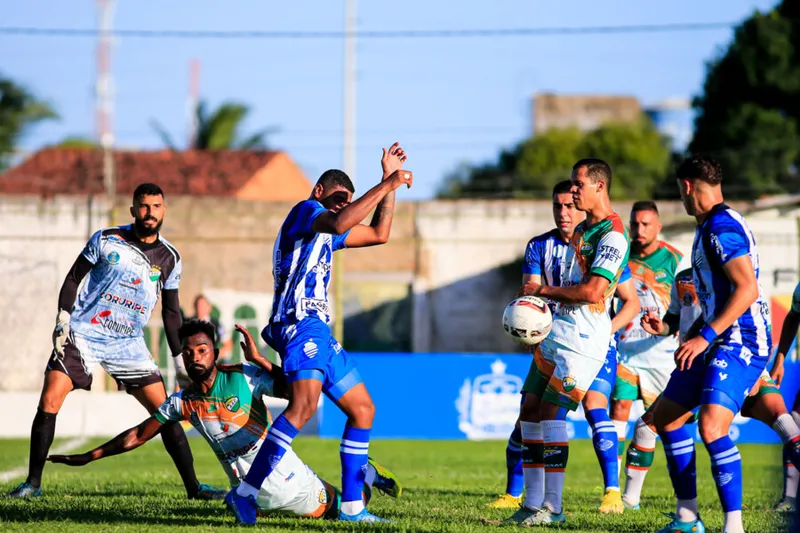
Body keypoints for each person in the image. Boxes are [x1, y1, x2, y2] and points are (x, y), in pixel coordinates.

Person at [225, 143, 412, 524]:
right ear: (319, 192)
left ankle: (352, 508)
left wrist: (388, 189)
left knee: (363, 410)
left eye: (348, 200)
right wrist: (387, 182)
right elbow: (340, 222)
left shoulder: (329, 232)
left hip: (318, 330)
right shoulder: (306, 212)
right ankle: (245, 493)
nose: (344, 205)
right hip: (297, 323)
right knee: (303, 407)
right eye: (339, 198)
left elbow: (379, 234)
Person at [47, 319, 400, 520]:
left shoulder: (242, 377)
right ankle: (360, 474)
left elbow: (299, 395)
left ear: (215, 352)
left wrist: (261, 361)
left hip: (290, 479)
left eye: (202, 350)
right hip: (250, 492)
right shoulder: (182, 402)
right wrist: (88, 457)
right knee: (333, 505)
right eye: (188, 353)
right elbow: (139, 434)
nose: (195, 357)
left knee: (346, 506)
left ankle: (366, 473)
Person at [8, 183, 223, 501]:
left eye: (156, 206)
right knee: (50, 398)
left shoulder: (170, 257)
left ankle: (194, 488)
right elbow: (72, 279)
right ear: (133, 209)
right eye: (144, 206)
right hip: (83, 333)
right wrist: (63, 318)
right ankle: (32, 484)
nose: (150, 212)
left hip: (128, 344)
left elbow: (171, 312)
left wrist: (179, 360)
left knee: (165, 412)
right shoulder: (107, 239)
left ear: (164, 210)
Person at [487, 180, 640, 515]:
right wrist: (531, 323)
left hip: (587, 342)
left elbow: (602, 294)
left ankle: (590, 496)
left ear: (596, 188)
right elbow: (530, 292)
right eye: (559, 204)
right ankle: (528, 501)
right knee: (530, 410)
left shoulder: (607, 238)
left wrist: (606, 333)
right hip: (554, 338)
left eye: (572, 199)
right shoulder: (547, 244)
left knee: (590, 410)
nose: (566, 207)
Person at [650, 156, 771, 533]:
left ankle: (733, 526)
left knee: (712, 427)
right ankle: (687, 518)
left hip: (741, 339)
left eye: (678, 190)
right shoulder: (709, 227)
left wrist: (703, 336)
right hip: (715, 336)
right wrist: (691, 333)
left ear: (687, 186)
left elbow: (747, 290)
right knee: (665, 418)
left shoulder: (720, 228)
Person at [623, 269, 800, 513]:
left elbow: (759, 330)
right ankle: (631, 503)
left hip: (739, 364)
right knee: (649, 427)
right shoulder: (684, 280)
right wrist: (662, 327)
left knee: (786, 424)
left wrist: (760, 369)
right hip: (698, 367)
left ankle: (681, 512)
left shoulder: (743, 283)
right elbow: (675, 318)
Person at [609, 200, 685, 512]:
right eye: (634, 224)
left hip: (662, 354)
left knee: (661, 425)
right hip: (625, 351)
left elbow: (686, 308)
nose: (638, 230)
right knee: (619, 408)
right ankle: (612, 491)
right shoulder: (619, 255)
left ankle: (649, 494)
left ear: (658, 227)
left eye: (645, 224)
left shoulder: (676, 260)